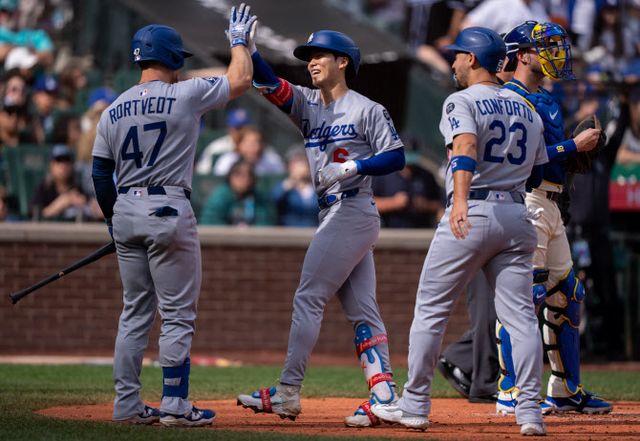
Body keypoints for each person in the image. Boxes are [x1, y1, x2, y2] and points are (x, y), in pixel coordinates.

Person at [371, 27, 549, 436]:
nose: (452, 62)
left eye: (457, 55)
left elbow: (466, 147)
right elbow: (538, 172)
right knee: (521, 319)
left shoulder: (462, 99)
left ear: (472, 58)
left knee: (431, 310)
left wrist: (462, 201)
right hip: (517, 214)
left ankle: (415, 405)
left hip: (474, 209)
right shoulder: (527, 107)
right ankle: (529, 413)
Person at [91, 5, 256, 427]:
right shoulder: (186, 93)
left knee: (134, 313)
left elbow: (100, 174)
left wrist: (112, 221)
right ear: (171, 59)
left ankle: (126, 405)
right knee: (177, 314)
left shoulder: (112, 109)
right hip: (167, 206)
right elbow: (240, 79)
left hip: (125, 208)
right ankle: (175, 405)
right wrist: (239, 42)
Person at [236, 30, 406, 427]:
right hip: (335, 212)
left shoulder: (367, 109)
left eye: (320, 55)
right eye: (308, 56)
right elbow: (269, 84)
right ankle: (384, 397)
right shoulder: (307, 102)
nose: (311, 62)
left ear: (342, 61)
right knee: (363, 310)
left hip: (353, 207)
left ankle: (288, 390)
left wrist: (355, 166)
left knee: (308, 297)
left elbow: (396, 157)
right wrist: (250, 50)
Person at [494, 21, 613, 415]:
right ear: (522, 55)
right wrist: (572, 145)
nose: (555, 53)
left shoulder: (546, 98)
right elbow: (525, 159)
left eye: (556, 46)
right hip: (525, 199)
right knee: (525, 295)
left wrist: (576, 157)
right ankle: (510, 388)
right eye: (545, 46)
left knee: (568, 293)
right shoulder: (508, 98)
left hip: (551, 202)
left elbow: (553, 156)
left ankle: (564, 389)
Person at [200, 159, 275, 226]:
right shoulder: (220, 196)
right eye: (239, 175)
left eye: (249, 175)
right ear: (230, 177)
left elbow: (265, 223)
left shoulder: (259, 198)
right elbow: (210, 222)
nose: (245, 179)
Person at [31, 144, 92, 221]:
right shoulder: (44, 188)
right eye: (58, 161)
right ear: (51, 165)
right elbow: (34, 215)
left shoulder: (77, 188)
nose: (63, 165)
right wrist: (62, 202)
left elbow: (91, 208)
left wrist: (86, 204)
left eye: (67, 161)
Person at [195, 107, 251, 175]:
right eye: (238, 128)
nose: (242, 131)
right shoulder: (217, 147)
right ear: (229, 128)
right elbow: (202, 172)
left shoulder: (257, 147)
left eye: (245, 128)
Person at [213, 125, 285, 176]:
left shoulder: (271, 160)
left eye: (259, 143)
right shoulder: (228, 161)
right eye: (251, 144)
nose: (257, 148)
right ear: (239, 145)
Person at [272, 149, 319, 227]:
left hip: (314, 230)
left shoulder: (316, 187)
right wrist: (292, 180)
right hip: (289, 231)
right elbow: (275, 198)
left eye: (303, 164)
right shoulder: (284, 186)